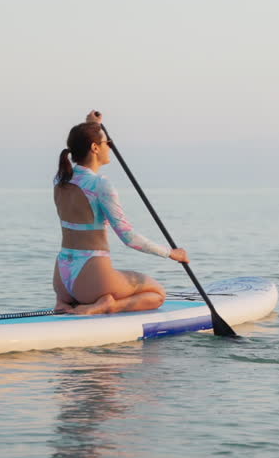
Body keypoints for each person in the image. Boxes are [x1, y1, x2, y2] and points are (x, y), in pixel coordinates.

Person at [52, 111, 188, 315]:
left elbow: (82, 140)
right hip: (92, 277)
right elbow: (128, 237)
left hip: (62, 279)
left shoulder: (60, 179)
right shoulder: (100, 184)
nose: (110, 147)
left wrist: (92, 126)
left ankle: (64, 304)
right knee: (157, 293)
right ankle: (108, 305)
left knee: (119, 285)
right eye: (107, 143)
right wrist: (171, 253)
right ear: (95, 147)